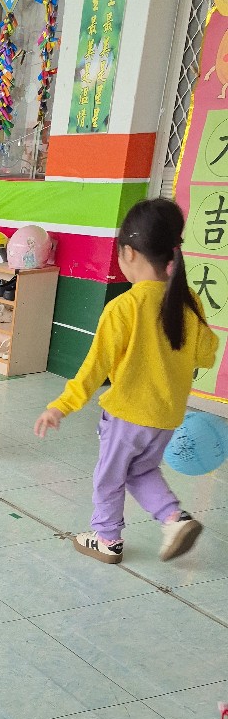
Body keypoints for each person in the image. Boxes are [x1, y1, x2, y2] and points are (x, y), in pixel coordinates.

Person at [35, 197, 216, 563]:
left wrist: (61, 406)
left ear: (129, 253)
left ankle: (107, 538)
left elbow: (93, 368)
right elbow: (206, 355)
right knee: (140, 470)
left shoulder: (123, 307)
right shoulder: (187, 301)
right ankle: (174, 519)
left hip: (128, 415)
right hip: (165, 417)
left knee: (109, 477)